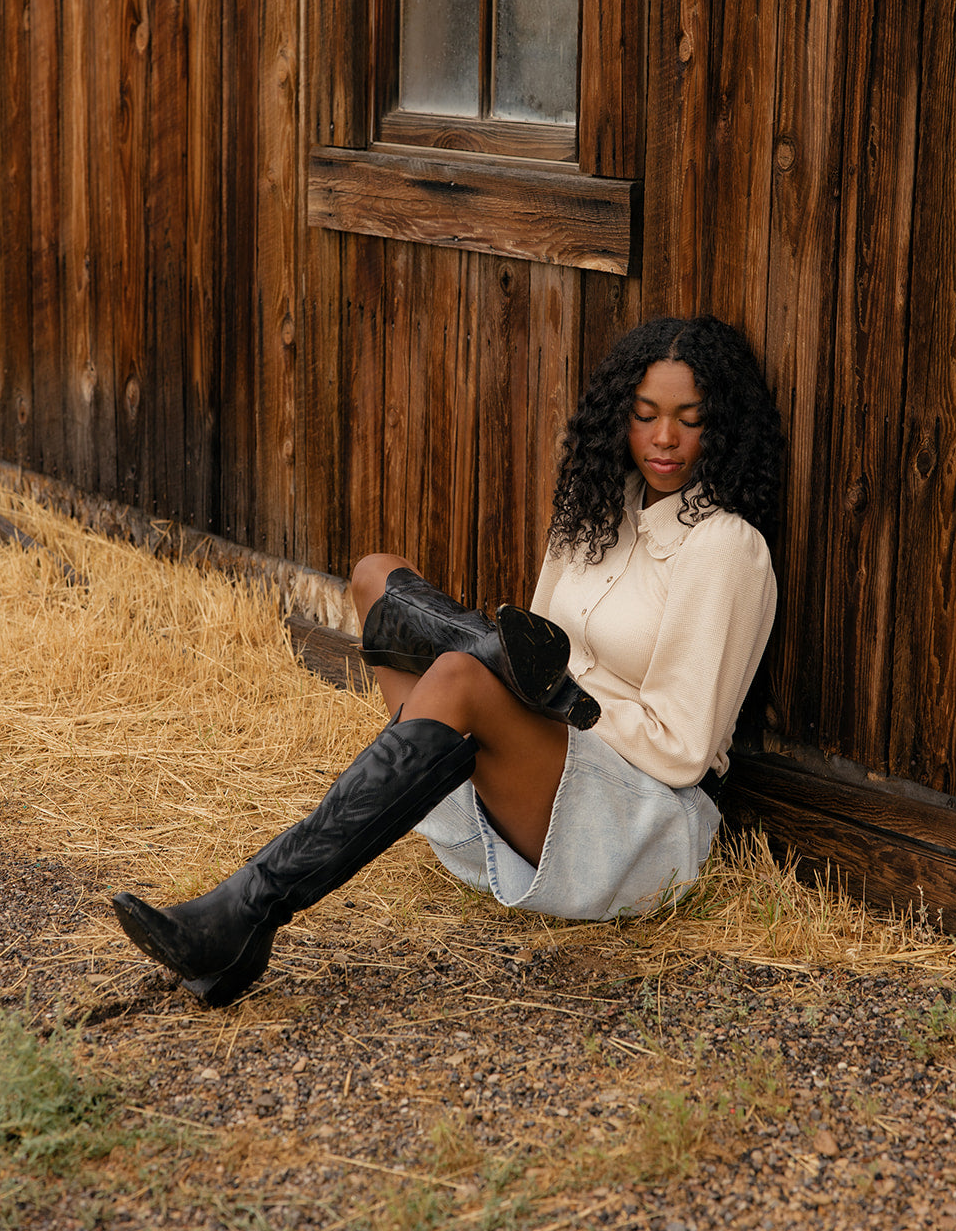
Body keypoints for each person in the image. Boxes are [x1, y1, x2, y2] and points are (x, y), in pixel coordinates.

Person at [112, 314, 781, 1007]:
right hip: (546, 768)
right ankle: (417, 800)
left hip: (638, 825)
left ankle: (247, 913)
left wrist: (555, 698)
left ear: (723, 428)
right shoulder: (593, 512)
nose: (664, 438)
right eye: (644, 416)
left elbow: (682, 751)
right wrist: (515, 673)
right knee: (378, 580)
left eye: (689, 420)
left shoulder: (724, 549)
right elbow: (541, 643)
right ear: (620, 417)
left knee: (462, 676)